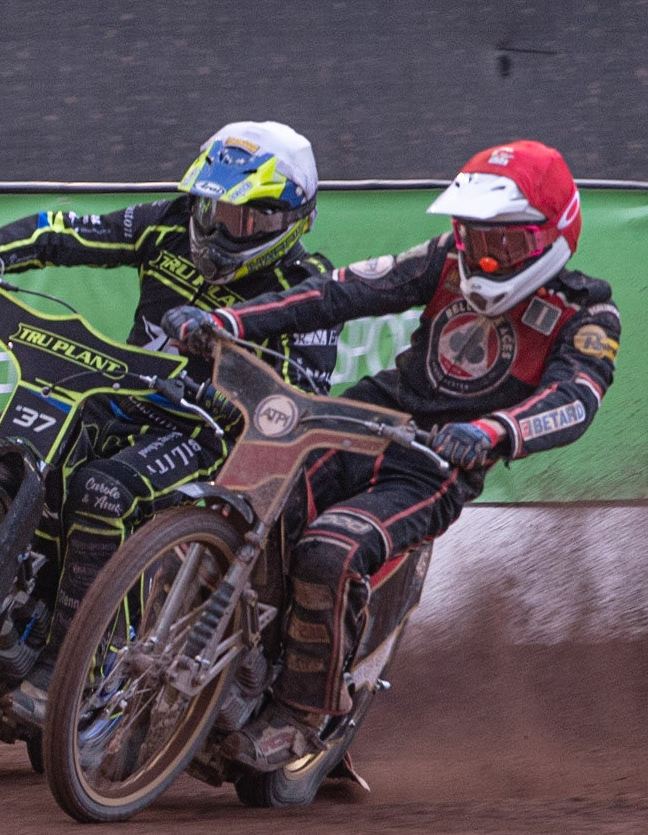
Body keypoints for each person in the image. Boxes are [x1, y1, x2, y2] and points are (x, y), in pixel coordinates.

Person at [0, 121, 341, 726]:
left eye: (245, 219)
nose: (221, 229)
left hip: (208, 430)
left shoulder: (306, 287)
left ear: (289, 220)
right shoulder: (168, 223)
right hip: (114, 394)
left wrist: (218, 393)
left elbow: (300, 398)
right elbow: (57, 234)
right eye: (214, 207)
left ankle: (75, 667)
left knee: (103, 491)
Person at [163, 139, 622, 770]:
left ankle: (301, 715)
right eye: (472, 235)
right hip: (364, 419)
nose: (483, 255)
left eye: (504, 242)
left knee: (331, 548)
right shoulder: (444, 259)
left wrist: (493, 433)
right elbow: (340, 292)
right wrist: (233, 324)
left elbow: (577, 397)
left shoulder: (586, 312)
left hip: (436, 464)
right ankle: (209, 657)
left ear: (553, 235)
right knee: (239, 502)